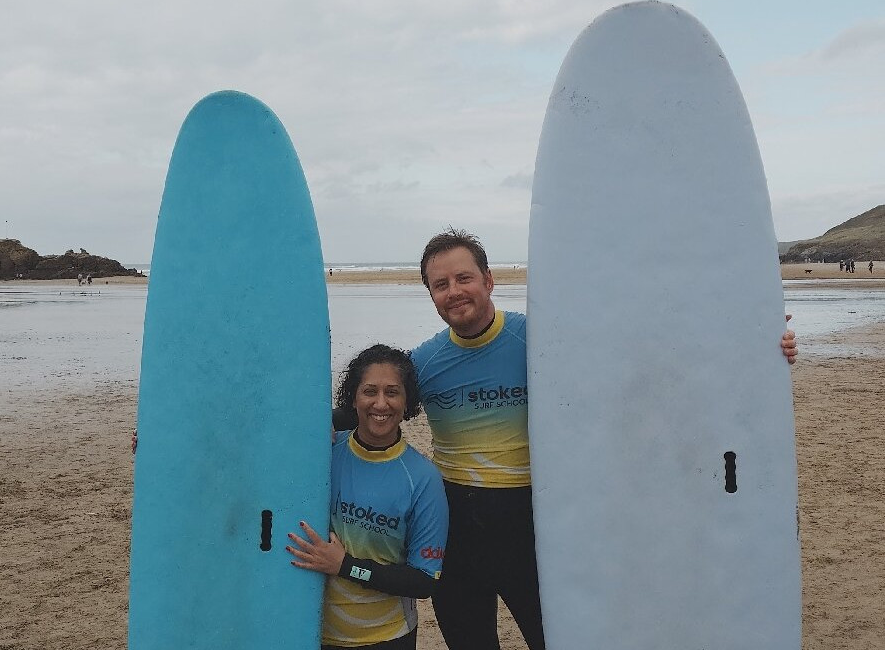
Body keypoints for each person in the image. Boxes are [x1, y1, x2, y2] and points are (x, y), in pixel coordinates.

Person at [408, 227, 799, 650]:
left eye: (463, 278)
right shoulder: (424, 363)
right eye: (440, 284)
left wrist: (755, 344)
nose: (453, 291)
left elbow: (644, 357)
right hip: (456, 532)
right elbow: (374, 406)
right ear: (430, 294)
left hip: (535, 524)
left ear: (488, 279)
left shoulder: (541, 340)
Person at [290, 344, 449, 650]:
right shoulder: (324, 456)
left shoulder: (422, 478)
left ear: (407, 402)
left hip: (387, 637)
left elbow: (423, 580)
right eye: (369, 391)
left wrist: (346, 565)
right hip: (312, 632)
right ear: (354, 397)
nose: (380, 403)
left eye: (392, 392)